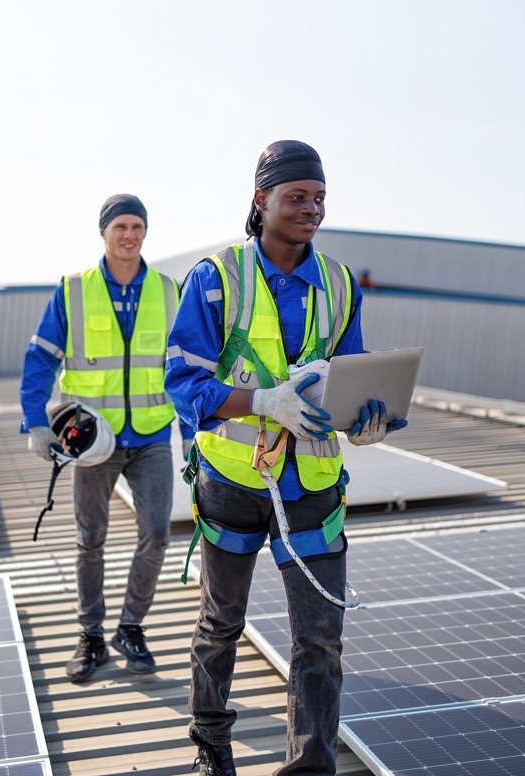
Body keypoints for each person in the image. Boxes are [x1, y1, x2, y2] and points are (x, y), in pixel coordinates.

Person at [165, 141, 406, 775]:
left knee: (320, 641)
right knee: (221, 623)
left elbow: (349, 377)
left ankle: (311, 769)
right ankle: (211, 747)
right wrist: (262, 401)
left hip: (314, 485)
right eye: (297, 196)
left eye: (319, 197)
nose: (312, 209)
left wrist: (367, 421)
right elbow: (181, 385)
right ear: (261, 200)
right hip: (233, 482)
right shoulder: (216, 281)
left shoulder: (339, 283)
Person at [20, 193, 190, 683]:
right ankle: (90, 636)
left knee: (156, 532)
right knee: (89, 538)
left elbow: (187, 367)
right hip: (94, 439)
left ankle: (130, 628)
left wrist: (192, 433)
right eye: (121, 226)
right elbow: (40, 358)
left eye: (138, 226)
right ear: (103, 232)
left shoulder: (168, 290)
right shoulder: (73, 291)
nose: (130, 234)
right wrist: (35, 421)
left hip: (153, 432)